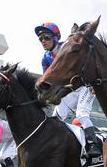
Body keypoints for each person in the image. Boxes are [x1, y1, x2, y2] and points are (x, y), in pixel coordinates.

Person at [35, 22, 101, 158]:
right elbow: (48, 80)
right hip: (69, 90)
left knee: (82, 114)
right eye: (40, 39)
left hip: (85, 86)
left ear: (55, 37)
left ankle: (93, 144)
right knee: (56, 118)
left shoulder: (68, 45)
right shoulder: (46, 58)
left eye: (46, 37)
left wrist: (95, 84)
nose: (43, 41)